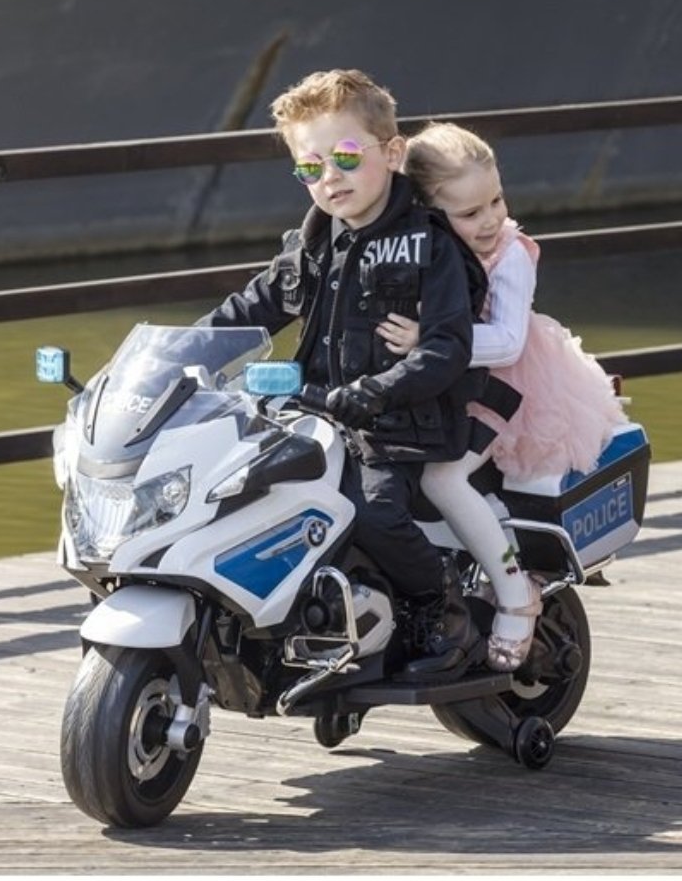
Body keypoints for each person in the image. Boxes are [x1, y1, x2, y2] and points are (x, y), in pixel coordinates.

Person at [196, 70, 486, 682]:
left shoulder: (426, 245)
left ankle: (441, 609)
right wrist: (181, 352)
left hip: (398, 426)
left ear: (392, 152)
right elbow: (249, 309)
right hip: (311, 417)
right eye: (310, 167)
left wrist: (371, 393)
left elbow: (446, 350)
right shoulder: (312, 244)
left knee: (372, 510)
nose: (329, 178)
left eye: (347, 157)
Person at [378, 122, 627, 671]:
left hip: (504, 386)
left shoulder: (509, 255)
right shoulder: (417, 249)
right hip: (442, 383)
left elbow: (509, 340)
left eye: (495, 200)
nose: (491, 219)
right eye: (471, 213)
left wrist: (432, 340)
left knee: (442, 477)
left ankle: (516, 592)